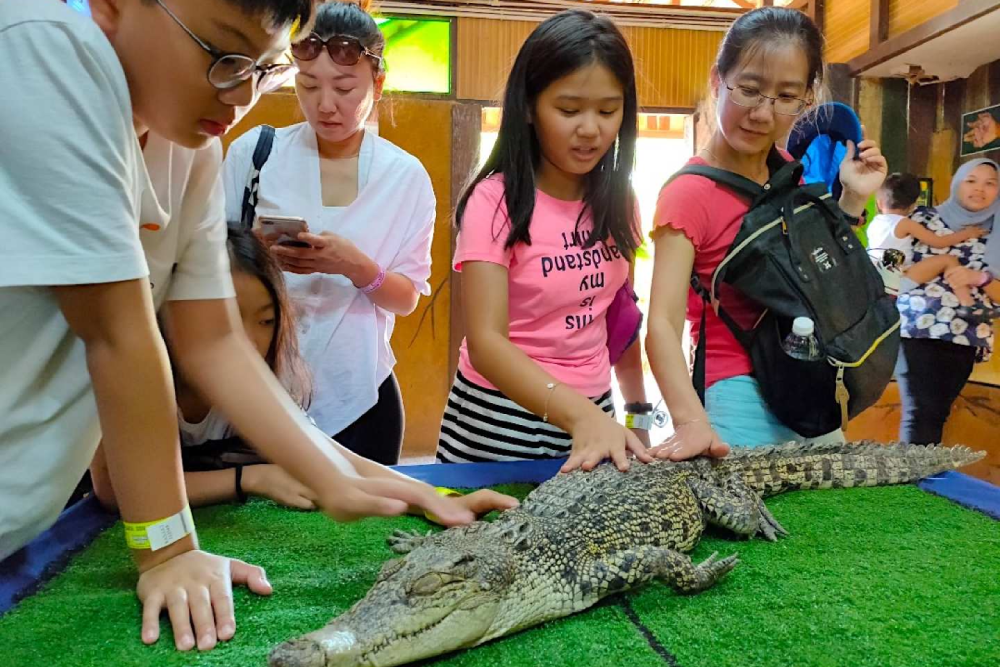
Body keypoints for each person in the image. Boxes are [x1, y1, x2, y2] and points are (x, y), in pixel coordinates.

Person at [0, 0, 512, 654]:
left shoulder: (190, 147)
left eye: (263, 70)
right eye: (223, 56)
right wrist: (169, 550)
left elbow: (214, 341)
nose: (242, 95)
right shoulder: (42, 51)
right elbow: (119, 334)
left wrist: (360, 482)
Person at [645, 7, 887, 456]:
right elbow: (661, 323)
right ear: (718, 81)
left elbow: (824, 282)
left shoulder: (789, 172)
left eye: (785, 96)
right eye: (749, 89)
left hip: (811, 389)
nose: (762, 112)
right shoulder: (688, 193)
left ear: (806, 99)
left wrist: (853, 201)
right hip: (737, 400)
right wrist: (691, 423)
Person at [436, 9, 658, 473]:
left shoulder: (621, 201)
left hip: (594, 412)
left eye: (608, 110)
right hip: (498, 418)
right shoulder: (495, 201)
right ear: (528, 107)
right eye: (569, 110)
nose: (591, 129)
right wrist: (580, 416)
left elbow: (619, 317)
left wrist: (637, 415)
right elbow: (486, 342)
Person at [222, 1, 435, 466]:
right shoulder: (255, 154)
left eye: (343, 88)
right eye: (308, 84)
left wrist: (355, 266)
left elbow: (405, 299)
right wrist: (252, 250)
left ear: (378, 83)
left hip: (360, 397)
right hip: (257, 389)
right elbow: (204, 269)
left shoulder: (405, 177)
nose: (324, 105)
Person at [895, 159, 1000, 444]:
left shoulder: (997, 231)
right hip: (915, 328)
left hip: (967, 333)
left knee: (935, 414)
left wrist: (979, 278)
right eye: (971, 180)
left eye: (990, 183)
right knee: (920, 413)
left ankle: (918, 472)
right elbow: (893, 270)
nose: (980, 189)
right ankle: (911, 472)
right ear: (957, 182)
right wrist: (941, 264)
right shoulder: (921, 219)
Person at [868, 172, 987, 306]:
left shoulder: (874, 223)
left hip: (874, 280)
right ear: (913, 206)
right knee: (949, 260)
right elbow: (939, 242)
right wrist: (967, 233)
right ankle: (967, 303)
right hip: (897, 281)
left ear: (879, 203)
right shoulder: (905, 223)